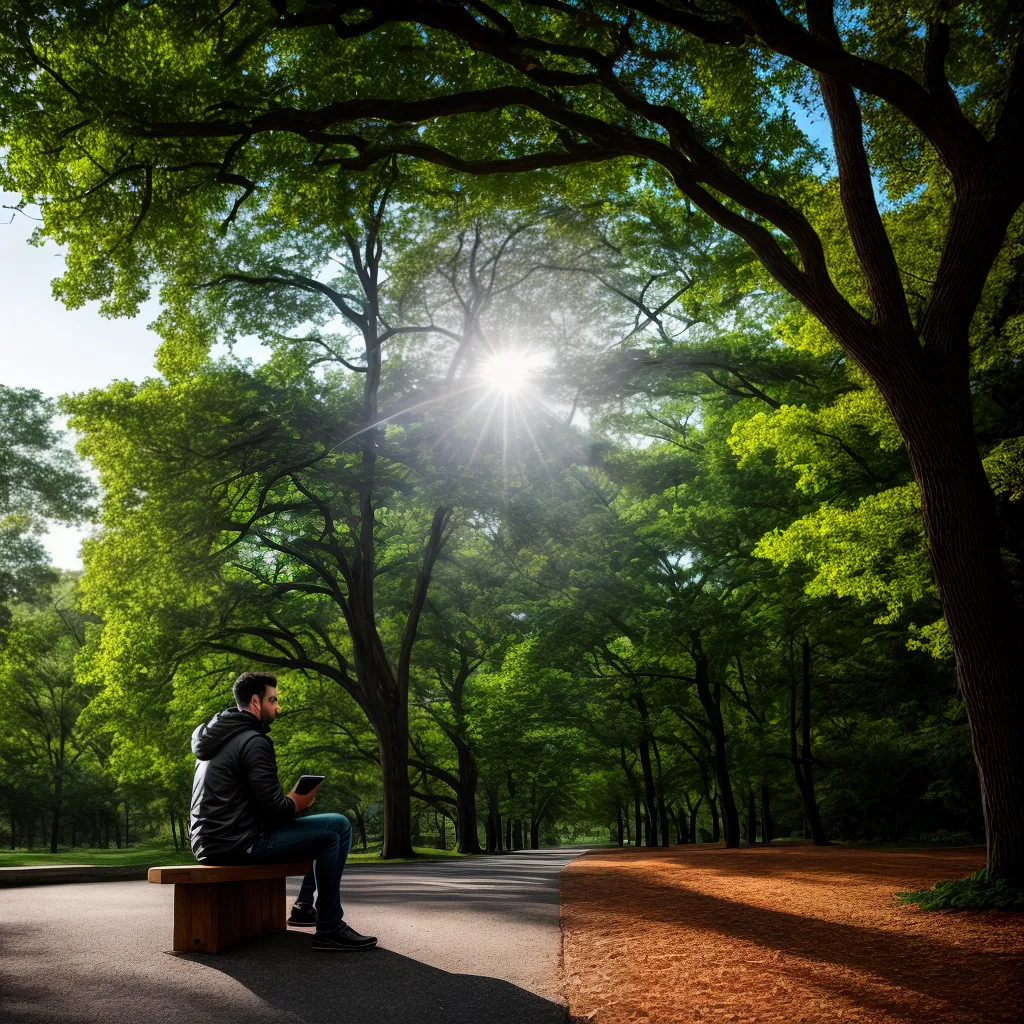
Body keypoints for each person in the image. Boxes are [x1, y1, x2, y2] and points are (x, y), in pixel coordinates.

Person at [189, 670, 376, 951]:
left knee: (324, 834)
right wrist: (295, 802)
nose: (278, 707)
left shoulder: (214, 741)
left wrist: (287, 803)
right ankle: (330, 928)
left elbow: (249, 803)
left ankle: (304, 907)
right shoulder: (254, 740)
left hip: (207, 843)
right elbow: (276, 811)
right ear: (255, 701)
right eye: (273, 700)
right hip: (239, 844)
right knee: (337, 826)